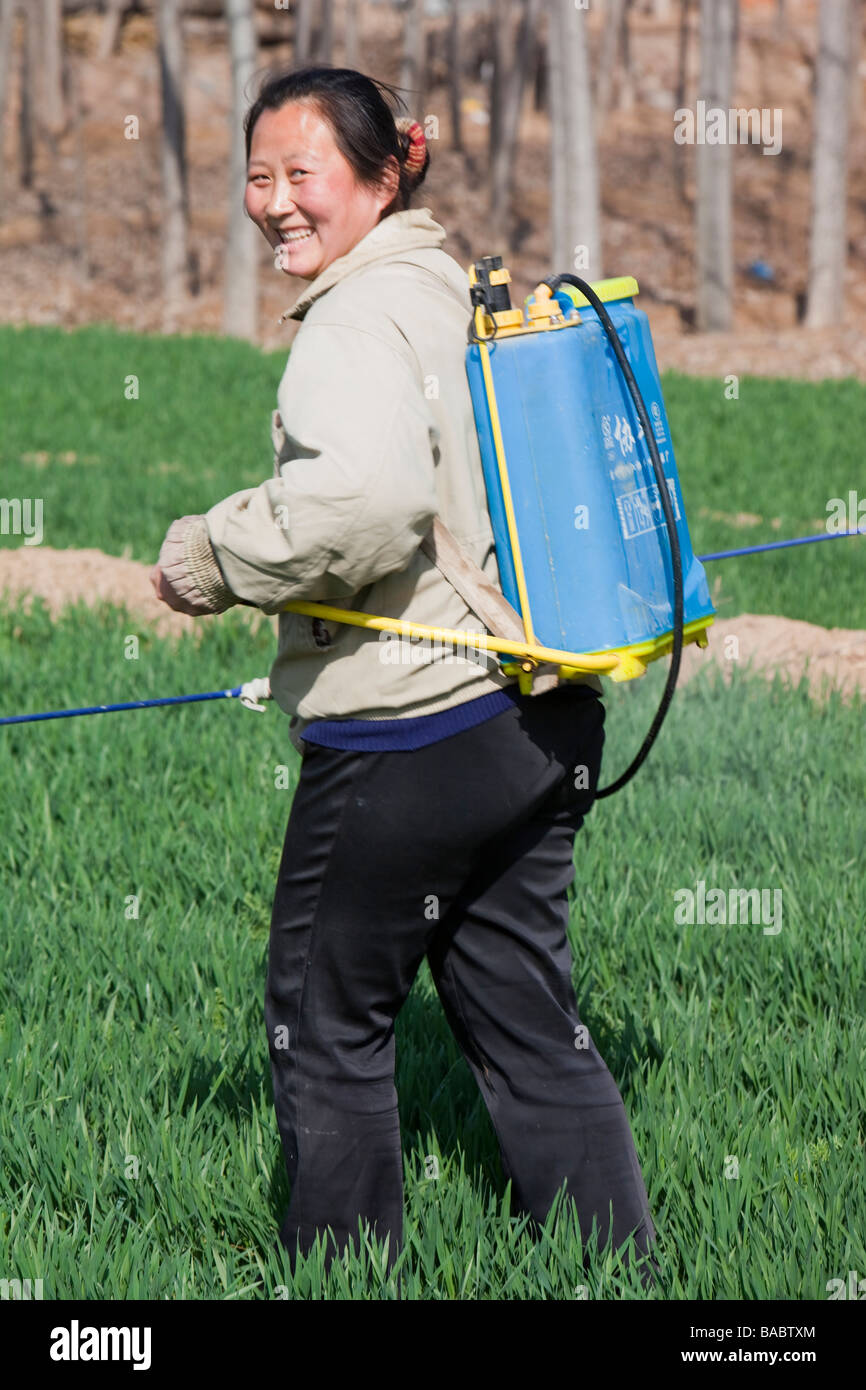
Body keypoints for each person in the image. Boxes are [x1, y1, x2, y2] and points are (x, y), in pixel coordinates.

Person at [150, 65, 659, 1293]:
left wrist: (208, 556)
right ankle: (618, 1276)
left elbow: (365, 503)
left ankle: (340, 1286)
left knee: (324, 1023)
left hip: (409, 735)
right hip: (533, 721)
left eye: (300, 174)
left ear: (384, 174)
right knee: (530, 1020)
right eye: (257, 176)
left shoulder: (356, 317)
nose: (272, 202)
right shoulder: (445, 284)